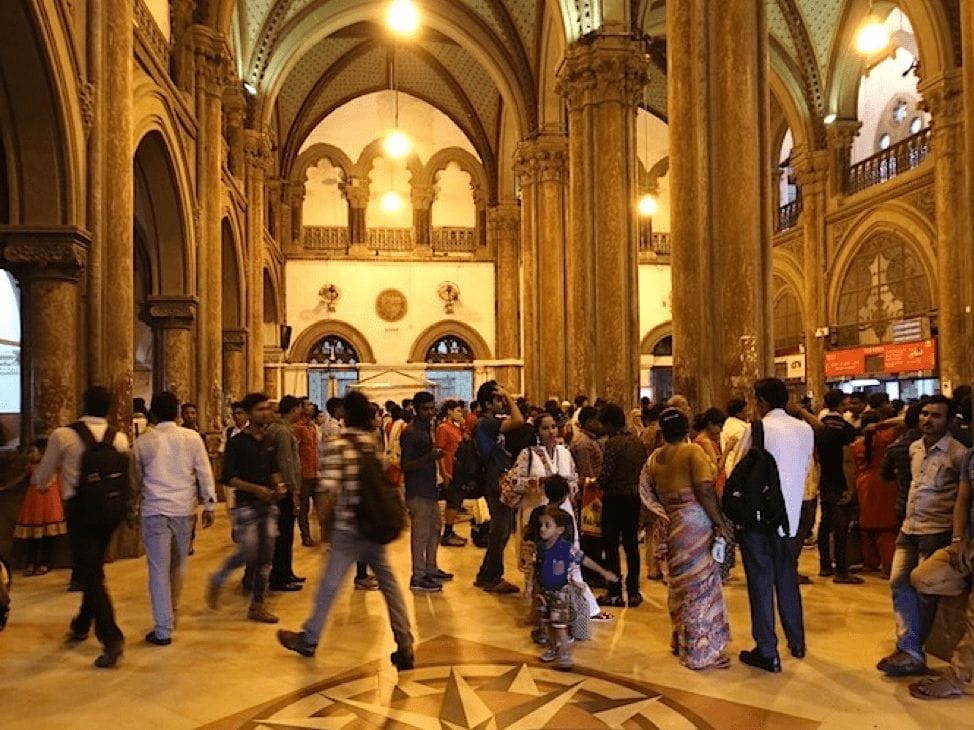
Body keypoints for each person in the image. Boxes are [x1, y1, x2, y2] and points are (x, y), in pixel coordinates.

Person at [276, 390, 415, 670]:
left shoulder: (339, 443)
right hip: (373, 525)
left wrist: (325, 527)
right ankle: (405, 642)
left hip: (349, 527)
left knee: (329, 585)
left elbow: (327, 490)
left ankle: (310, 637)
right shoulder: (369, 442)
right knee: (389, 585)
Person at [32, 385, 130, 669]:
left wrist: (39, 482)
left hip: (81, 512)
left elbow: (43, 477)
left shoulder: (64, 436)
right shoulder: (119, 438)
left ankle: (111, 637)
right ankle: (81, 623)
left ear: (82, 403)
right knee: (93, 566)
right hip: (112, 512)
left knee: (90, 573)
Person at [877, 394, 967, 677]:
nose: (928, 420)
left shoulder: (958, 453)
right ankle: (909, 647)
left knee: (924, 591)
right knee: (898, 584)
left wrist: (957, 538)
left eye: (936, 416)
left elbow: (964, 499)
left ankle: (912, 650)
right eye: (925, 414)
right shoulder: (914, 448)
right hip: (910, 528)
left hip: (936, 531)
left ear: (950, 421)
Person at [732, 378, 814, 673]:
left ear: (760, 401)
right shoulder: (805, 429)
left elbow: (737, 468)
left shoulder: (757, 429)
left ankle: (767, 650)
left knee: (760, 583)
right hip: (791, 517)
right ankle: (798, 641)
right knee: (787, 578)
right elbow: (804, 468)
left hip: (760, 518)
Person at [641, 408, 733, 670]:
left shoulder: (655, 458)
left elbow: (651, 494)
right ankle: (700, 651)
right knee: (701, 587)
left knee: (680, 586)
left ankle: (679, 638)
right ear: (686, 428)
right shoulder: (692, 452)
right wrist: (720, 522)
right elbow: (704, 490)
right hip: (695, 521)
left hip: (671, 523)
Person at [131, 391, 217, 646]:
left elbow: (135, 478)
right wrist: (209, 503)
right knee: (179, 565)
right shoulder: (191, 438)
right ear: (178, 413)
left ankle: (163, 628)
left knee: (158, 569)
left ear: (153, 414)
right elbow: (204, 470)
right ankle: (173, 613)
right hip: (183, 510)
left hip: (155, 510)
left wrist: (131, 505)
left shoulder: (143, 442)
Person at [207, 392, 286, 624]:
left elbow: (274, 469)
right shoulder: (236, 443)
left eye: (267, 409)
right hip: (246, 505)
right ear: (250, 414)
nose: (265, 413)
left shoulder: (270, 441)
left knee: (266, 556)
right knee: (249, 550)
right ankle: (219, 577)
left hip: (268, 504)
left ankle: (257, 604)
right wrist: (255, 489)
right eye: (260, 409)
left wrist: (279, 485)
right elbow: (228, 477)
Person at [907, 443, 974, 699]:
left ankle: (959, 678)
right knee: (922, 577)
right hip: (966, 546)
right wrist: (959, 541)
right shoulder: (971, 456)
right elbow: (963, 500)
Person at [535, 506, 617, 671]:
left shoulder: (566, 548)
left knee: (560, 627)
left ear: (560, 530)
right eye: (541, 524)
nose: (542, 529)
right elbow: (537, 568)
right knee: (548, 624)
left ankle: (565, 655)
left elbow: (585, 560)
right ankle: (553, 648)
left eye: (547, 525)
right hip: (545, 593)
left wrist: (603, 572)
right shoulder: (541, 547)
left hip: (560, 593)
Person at [473, 381, 525, 594]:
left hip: (495, 478)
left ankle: (486, 573)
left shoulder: (488, 422)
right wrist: (510, 397)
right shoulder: (487, 423)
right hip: (495, 481)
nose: (502, 402)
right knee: (500, 530)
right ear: (487, 403)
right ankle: (492, 577)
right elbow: (519, 420)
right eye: (498, 399)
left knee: (500, 530)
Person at [596, 403, 648, 608]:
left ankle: (615, 591)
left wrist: (594, 483)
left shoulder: (613, 443)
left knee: (610, 545)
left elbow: (606, 475)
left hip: (615, 498)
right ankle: (633, 591)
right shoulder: (637, 441)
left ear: (609, 423)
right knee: (631, 545)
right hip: (634, 497)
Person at [401, 391, 450, 592]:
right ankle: (418, 575)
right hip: (417, 489)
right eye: (425, 409)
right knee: (420, 534)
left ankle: (431, 567)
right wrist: (429, 457)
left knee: (435, 528)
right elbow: (406, 464)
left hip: (429, 488)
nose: (430, 412)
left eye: (432, 408)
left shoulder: (427, 428)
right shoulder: (411, 432)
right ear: (415, 408)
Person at [852, 411, 902, 577]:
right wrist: (883, 424)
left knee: (867, 528)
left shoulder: (857, 445)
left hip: (863, 484)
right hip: (884, 483)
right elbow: (903, 422)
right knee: (887, 531)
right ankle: (888, 568)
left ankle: (870, 563)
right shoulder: (885, 439)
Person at [816, 388, 859, 582]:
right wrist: (850, 487)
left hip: (825, 480)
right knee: (840, 527)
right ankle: (841, 571)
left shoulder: (820, 427)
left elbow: (816, 456)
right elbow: (847, 461)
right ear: (841, 404)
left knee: (825, 524)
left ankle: (825, 565)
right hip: (839, 482)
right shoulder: (845, 429)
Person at [267, 395, 304, 592]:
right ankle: (280, 577)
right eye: (299, 408)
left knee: (286, 534)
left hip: (283, 489)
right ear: (293, 409)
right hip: (285, 491)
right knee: (284, 534)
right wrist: (293, 489)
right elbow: (286, 463)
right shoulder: (282, 432)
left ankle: (286, 571)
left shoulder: (281, 429)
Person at [15, 438, 67, 576]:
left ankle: (46, 562)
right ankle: (31, 562)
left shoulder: (53, 465)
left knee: (48, 536)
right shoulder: (31, 466)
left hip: (48, 501)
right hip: (34, 501)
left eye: (32, 451)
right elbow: (21, 478)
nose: (30, 455)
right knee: (33, 536)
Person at [435, 399, 468, 547]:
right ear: (449, 411)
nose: (459, 413)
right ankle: (447, 532)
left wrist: (463, 424)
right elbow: (440, 452)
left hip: (459, 468)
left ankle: (450, 530)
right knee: (452, 501)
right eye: (457, 411)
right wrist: (444, 473)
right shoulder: (443, 428)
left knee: (456, 500)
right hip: (449, 469)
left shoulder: (456, 428)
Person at [294, 397, 320, 547]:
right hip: (303, 473)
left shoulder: (312, 426)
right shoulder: (298, 428)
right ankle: (306, 536)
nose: (311, 407)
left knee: (320, 504)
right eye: (308, 405)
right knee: (303, 508)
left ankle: (322, 535)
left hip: (315, 471)